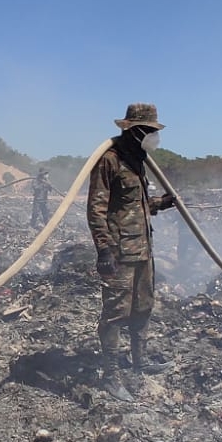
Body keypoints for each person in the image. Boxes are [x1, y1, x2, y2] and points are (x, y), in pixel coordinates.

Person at [87, 103, 176, 402]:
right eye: (150, 131)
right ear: (135, 130)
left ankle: (140, 361)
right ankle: (111, 376)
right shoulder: (109, 161)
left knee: (143, 307)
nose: (154, 136)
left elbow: (133, 207)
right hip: (119, 254)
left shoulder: (139, 162)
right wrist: (104, 250)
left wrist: (159, 204)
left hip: (142, 251)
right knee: (115, 315)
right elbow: (97, 210)